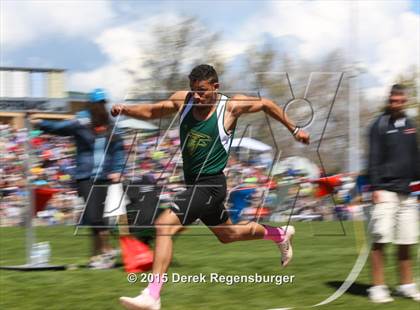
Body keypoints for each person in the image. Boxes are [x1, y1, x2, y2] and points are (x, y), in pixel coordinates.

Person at [111, 64, 310, 310]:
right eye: (193, 90)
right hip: (194, 185)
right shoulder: (184, 101)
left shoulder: (231, 107)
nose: (197, 96)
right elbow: (152, 111)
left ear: (216, 87)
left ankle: (152, 295)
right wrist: (125, 110)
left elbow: (267, 104)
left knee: (164, 225)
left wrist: (295, 129)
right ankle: (280, 234)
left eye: (203, 91)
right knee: (229, 235)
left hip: (211, 185)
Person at [31, 89, 125, 269]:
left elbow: (119, 150)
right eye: (97, 103)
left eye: (102, 103)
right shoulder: (82, 122)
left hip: (106, 177)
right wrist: (40, 123)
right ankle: (108, 250)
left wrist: (117, 169)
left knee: (98, 221)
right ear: (90, 105)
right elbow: (61, 128)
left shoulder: (112, 126)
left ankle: (95, 258)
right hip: (85, 177)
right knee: (93, 216)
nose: (99, 107)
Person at [367, 84, 420, 303]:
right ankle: (378, 288)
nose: (396, 104)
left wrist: (417, 188)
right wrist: (375, 187)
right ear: (388, 101)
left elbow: (415, 158)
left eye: (400, 100)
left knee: (406, 240)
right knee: (381, 239)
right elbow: (373, 158)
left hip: (408, 192)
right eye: (392, 100)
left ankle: (406, 285)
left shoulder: (410, 125)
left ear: (405, 101)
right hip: (385, 191)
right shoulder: (378, 125)